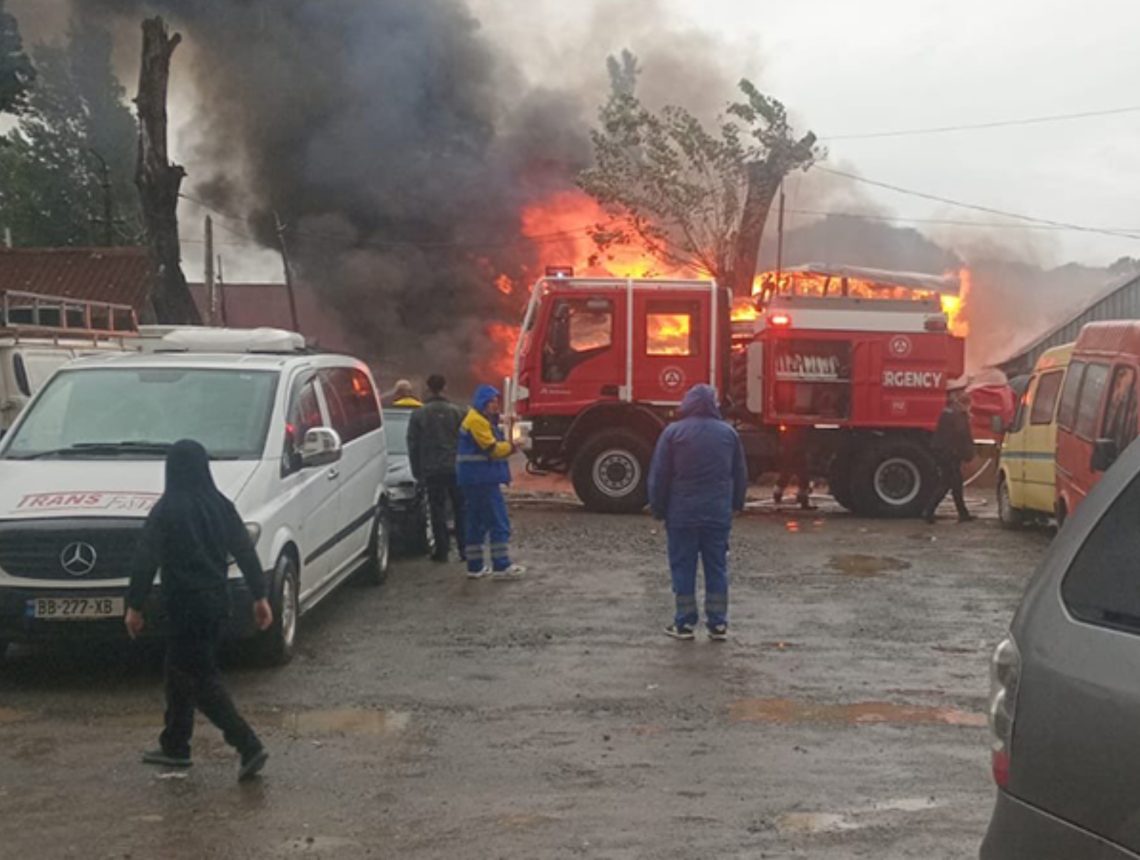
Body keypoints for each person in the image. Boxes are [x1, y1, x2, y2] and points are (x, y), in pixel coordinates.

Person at [125, 439, 274, 782]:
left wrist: (135, 605)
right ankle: (176, 744)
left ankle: (248, 744)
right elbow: (245, 549)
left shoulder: (166, 509)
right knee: (178, 672)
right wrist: (259, 595)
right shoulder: (220, 505)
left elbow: (145, 559)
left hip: (183, 605)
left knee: (198, 678)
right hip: (216, 604)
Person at [648, 383, 748, 641]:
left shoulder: (673, 433)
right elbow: (739, 473)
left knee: (683, 567)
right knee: (717, 567)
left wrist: (658, 508)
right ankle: (718, 624)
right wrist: (736, 504)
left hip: (682, 514)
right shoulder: (728, 434)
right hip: (717, 514)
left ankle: (684, 624)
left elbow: (660, 475)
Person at [456, 384, 524, 580]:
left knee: (475, 523)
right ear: (483, 402)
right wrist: (512, 447)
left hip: (474, 479)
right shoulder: (477, 421)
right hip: (482, 479)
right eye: (492, 402)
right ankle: (501, 565)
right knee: (498, 522)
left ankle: (475, 567)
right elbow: (492, 449)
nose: (495, 405)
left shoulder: (477, 419)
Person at [407, 373, 467, 563]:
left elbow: (413, 444)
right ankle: (465, 550)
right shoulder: (458, 412)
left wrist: (417, 470)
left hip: (432, 469)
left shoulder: (419, 414)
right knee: (461, 509)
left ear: (428, 388)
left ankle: (442, 552)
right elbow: (466, 441)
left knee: (437, 510)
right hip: (456, 468)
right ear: (445, 388)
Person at [924, 383, 976, 523]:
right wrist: (968, 454)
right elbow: (962, 435)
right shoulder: (960, 414)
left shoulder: (947, 411)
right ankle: (928, 511)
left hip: (942, 451)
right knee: (947, 483)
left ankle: (963, 513)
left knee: (955, 483)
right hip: (951, 453)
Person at [774, 425, 814, 510]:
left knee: (787, 473)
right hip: (798, 449)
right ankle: (803, 499)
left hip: (790, 448)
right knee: (802, 474)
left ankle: (777, 495)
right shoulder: (803, 430)